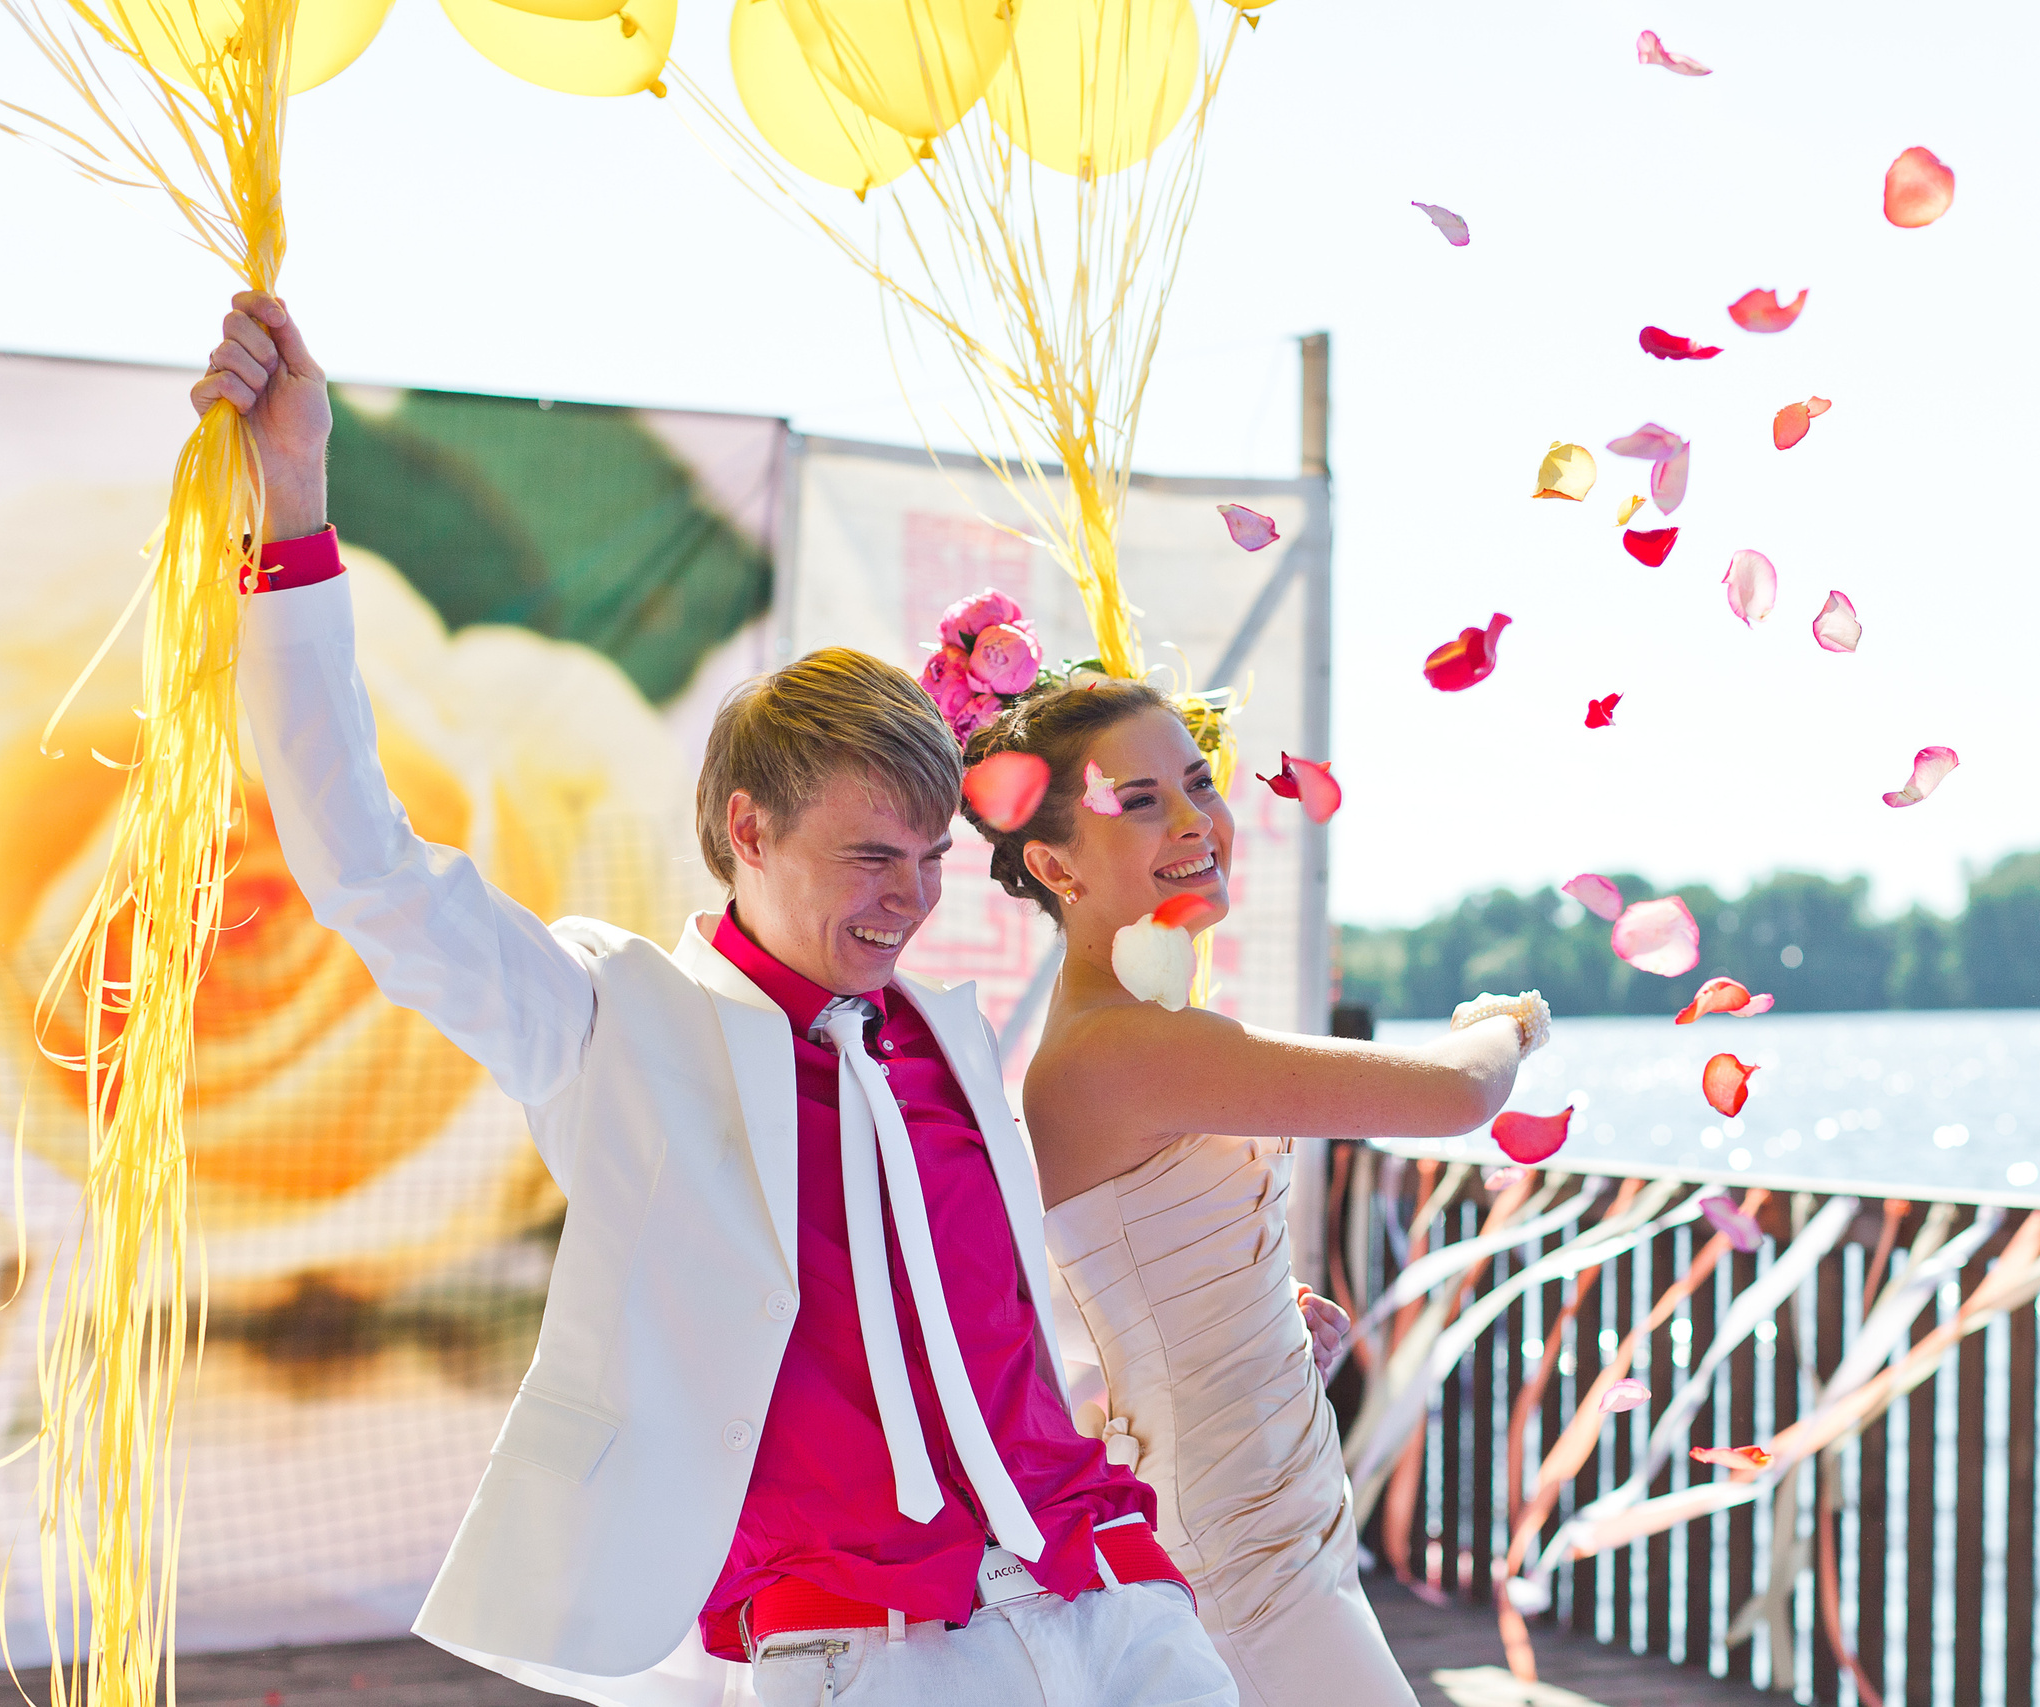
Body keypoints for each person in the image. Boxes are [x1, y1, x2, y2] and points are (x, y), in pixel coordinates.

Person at [197, 292, 1238, 1707]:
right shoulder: (611, 1018)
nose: (910, 897)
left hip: (1111, 1595)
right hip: (862, 1647)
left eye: (932, 858)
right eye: (869, 855)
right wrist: (296, 497)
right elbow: (369, 870)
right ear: (747, 828)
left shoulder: (937, 1028)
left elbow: (977, 1302)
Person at [952, 677, 1543, 1707]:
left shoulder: (1128, 1033)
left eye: (1195, 783)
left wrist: (1261, 1318)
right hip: (1228, 1544)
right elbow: (1457, 1092)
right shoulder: (1122, 1047)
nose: (1194, 820)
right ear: (1051, 865)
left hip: (1267, 1506)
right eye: (1137, 802)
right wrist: (1510, 1021)